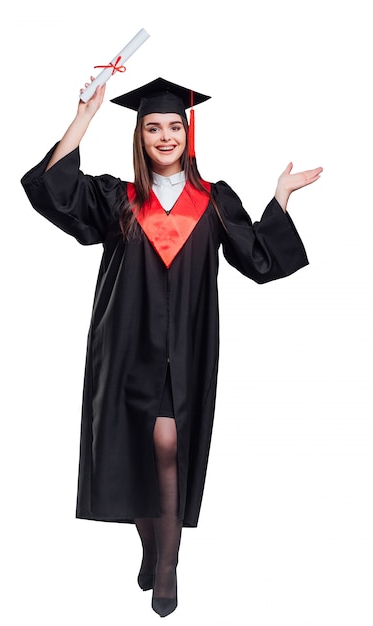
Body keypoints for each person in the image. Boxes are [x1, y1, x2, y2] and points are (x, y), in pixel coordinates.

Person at [21, 76, 322, 618]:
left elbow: (257, 259)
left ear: (189, 133)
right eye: (153, 127)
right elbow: (53, 189)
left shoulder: (212, 200)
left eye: (174, 127)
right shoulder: (116, 196)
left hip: (185, 348)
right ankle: (149, 545)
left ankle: (167, 568)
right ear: (139, 135)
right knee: (139, 451)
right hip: (126, 342)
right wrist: (86, 115)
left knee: (167, 445)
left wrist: (279, 198)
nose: (165, 136)